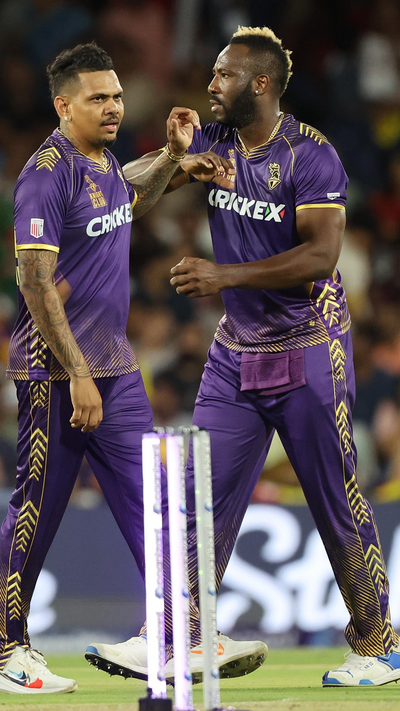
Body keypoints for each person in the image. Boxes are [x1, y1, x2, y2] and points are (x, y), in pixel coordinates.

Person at [96, 25, 400, 687]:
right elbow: (118, 198)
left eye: (223, 75)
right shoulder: (212, 141)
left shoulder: (311, 154)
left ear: (260, 83)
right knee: (195, 494)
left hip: (308, 346)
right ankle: (171, 635)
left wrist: (224, 276)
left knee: (334, 497)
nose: (210, 84)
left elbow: (321, 255)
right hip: (237, 350)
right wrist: (170, 156)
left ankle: (377, 645)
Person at [0, 41, 244, 695]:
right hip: (56, 375)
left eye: (116, 96)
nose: (113, 107)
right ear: (64, 106)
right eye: (98, 98)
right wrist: (77, 372)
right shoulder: (45, 175)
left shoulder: (102, 161)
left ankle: (182, 631)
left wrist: (171, 156)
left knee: (158, 502)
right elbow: (34, 281)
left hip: (116, 368)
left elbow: (128, 193)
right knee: (36, 511)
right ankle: (6, 647)